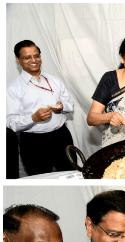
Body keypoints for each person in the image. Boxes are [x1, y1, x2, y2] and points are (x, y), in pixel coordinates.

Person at [7, 40, 74, 176]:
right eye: (27, 57)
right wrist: (33, 118)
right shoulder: (13, 88)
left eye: (36, 56)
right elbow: (10, 121)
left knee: (71, 174)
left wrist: (62, 107)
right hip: (33, 143)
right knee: (39, 178)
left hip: (62, 137)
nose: (34, 60)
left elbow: (70, 104)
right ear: (18, 60)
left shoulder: (55, 80)